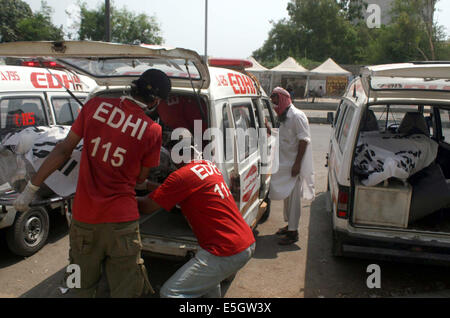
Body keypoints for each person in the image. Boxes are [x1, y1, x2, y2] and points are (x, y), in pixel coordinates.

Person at [13, 68, 172, 298]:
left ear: (135, 85)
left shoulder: (94, 106)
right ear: (155, 100)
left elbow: (63, 150)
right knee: (126, 290)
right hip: (122, 225)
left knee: (78, 281)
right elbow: (139, 179)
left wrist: (30, 189)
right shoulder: (153, 130)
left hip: (84, 221)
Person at [138, 129, 255, 298]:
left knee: (171, 293)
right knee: (208, 290)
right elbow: (174, 192)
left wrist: (123, 194)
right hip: (243, 242)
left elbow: (147, 207)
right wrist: (147, 185)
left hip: (225, 250)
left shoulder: (180, 177)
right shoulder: (207, 167)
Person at [269, 87, 314, 245]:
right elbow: (282, 137)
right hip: (284, 164)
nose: (273, 102)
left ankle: (294, 232)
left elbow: (304, 140)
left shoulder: (296, 116)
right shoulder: (283, 116)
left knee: (294, 199)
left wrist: (297, 164)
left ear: (281, 98)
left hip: (294, 164)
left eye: (274, 98)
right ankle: (289, 226)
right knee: (287, 198)